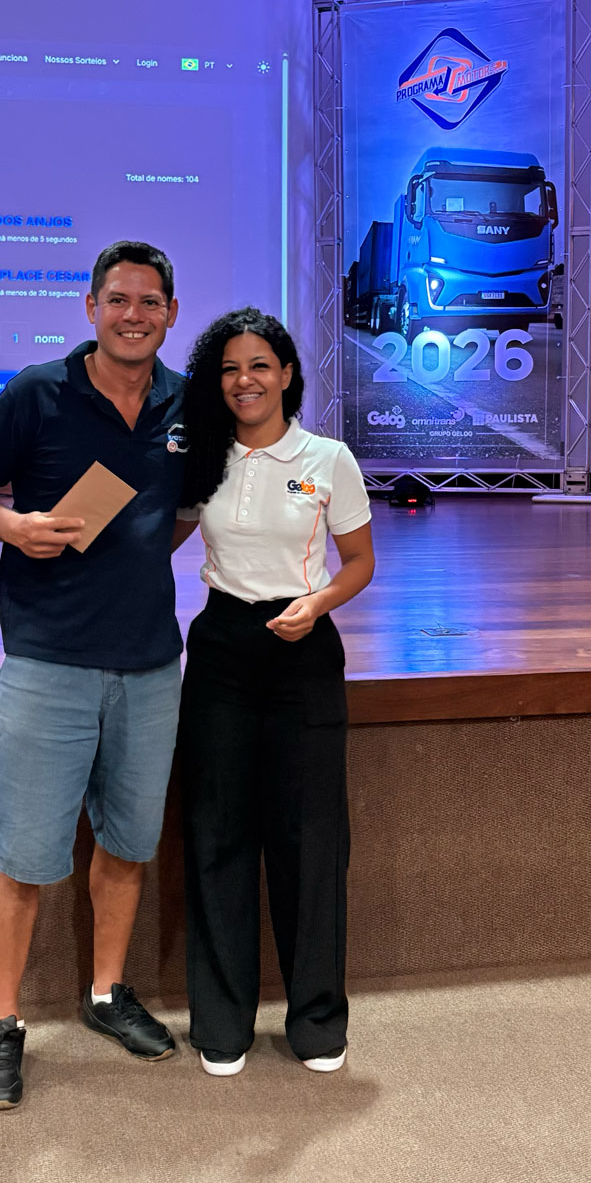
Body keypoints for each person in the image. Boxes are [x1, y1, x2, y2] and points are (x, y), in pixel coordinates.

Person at [0, 241, 189, 1108]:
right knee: (20, 859)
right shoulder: (36, 392)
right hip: (47, 663)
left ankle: (106, 995)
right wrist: (13, 527)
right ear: (91, 308)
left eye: (150, 302)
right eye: (118, 299)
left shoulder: (184, 404)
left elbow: (182, 511)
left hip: (151, 666)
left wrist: (136, 558)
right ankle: (3, 1021)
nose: (133, 315)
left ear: (170, 313)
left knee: (127, 846)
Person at [175, 308, 375, 1077]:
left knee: (311, 841)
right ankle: (221, 1023)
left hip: (302, 653)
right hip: (222, 649)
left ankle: (318, 1022)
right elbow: (163, 535)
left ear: (287, 374)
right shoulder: (203, 457)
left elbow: (358, 562)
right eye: (229, 369)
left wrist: (317, 604)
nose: (244, 380)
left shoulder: (327, 458)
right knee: (218, 834)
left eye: (259, 365)